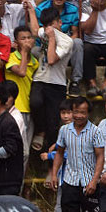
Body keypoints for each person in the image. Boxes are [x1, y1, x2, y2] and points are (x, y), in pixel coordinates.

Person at [29, 8, 72, 153]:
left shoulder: (66, 41)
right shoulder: (46, 31)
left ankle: (51, 162)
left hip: (57, 84)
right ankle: (40, 131)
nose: (49, 29)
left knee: (53, 124)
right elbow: (35, 30)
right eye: (47, 26)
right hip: (40, 79)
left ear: (60, 23)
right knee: (35, 103)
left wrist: (52, 38)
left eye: (52, 25)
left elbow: (52, 59)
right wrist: (31, 11)